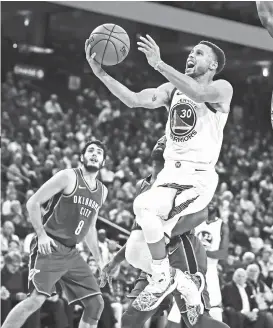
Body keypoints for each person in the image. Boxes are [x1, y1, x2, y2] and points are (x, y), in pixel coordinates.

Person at [86, 34, 233, 312]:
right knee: (133, 252)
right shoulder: (171, 89)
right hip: (168, 177)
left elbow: (198, 94)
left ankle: (163, 276)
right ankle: (185, 282)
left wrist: (158, 63)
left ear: (213, 65)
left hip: (196, 178)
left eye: (200, 53)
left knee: (143, 205)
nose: (192, 55)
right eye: (192, 51)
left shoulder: (221, 89)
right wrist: (101, 73)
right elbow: (133, 100)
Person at [102, 137, 229, 327]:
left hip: (183, 251)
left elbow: (202, 213)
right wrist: (116, 260)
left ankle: (179, 281)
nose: (162, 142)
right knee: (129, 320)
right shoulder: (143, 185)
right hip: (154, 260)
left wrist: (164, 234)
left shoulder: (184, 178)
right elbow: (139, 231)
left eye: (167, 141)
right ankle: (171, 279)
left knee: (198, 322)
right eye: (160, 139)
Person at [2, 139, 108, 328]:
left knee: (96, 303)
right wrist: (41, 235)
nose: (94, 154)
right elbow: (32, 203)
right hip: (50, 245)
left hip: (71, 252)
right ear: (82, 157)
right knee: (36, 300)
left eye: (99, 152)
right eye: (90, 150)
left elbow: (90, 227)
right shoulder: (68, 177)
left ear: (103, 162)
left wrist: (99, 260)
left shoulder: (102, 191)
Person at [195, 198, 229, 322]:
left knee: (214, 306)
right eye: (209, 200)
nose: (211, 203)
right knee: (182, 305)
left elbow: (223, 253)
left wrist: (203, 252)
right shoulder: (195, 221)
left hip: (210, 268)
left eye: (214, 201)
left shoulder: (222, 225)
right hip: (192, 266)